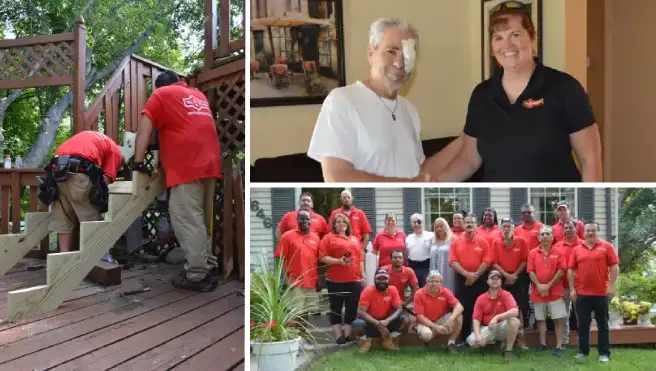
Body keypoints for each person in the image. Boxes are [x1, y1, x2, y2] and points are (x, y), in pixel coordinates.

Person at [431, 1, 602, 182]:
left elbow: (590, 160)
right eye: (498, 38)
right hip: (499, 205)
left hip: (553, 205)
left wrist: (589, 207)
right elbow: (468, 160)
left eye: (515, 34)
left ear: (532, 37)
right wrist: (434, 184)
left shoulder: (565, 88)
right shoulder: (481, 95)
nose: (507, 45)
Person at [307, 18, 433, 182]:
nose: (400, 63)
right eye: (391, 51)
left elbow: (418, 172)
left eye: (407, 55)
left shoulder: (409, 110)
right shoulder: (342, 101)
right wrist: (410, 185)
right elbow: (337, 178)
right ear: (370, 53)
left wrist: (466, 139)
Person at [135, 70, 221, 292]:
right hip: (210, 164)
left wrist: (138, 161)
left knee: (186, 220)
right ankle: (207, 266)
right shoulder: (197, 95)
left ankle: (197, 275)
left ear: (159, 87)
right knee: (199, 220)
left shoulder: (161, 95)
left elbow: (146, 126)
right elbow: (181, 130)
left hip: (187, 166)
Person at [42, 131, 123, 252]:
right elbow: (105, 181)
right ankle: (95, 259)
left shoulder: (95, 138)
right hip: (80, 173)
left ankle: (63, 258)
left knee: (64, 218)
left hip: (56, 173)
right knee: (91, 221)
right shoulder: (116, 152)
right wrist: (99, 199)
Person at [568, 221, 619, 364]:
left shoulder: (607, 247)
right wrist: (572, 289)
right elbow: (571, 270)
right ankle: (583, 351)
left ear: (598, 232)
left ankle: (604, 353)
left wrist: (611, 286)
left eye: (593, 230)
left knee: (603, 324)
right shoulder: (577, 249)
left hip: (601, 293)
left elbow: (614, 267)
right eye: (587, 231)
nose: (590, 233)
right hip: (582, 294)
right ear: (583, 233)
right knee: (583, 324)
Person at [319, 213, 365, 345]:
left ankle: (349, 335)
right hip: (335, 281)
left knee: (351, 308)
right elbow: (322, 257)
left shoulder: (354, 239)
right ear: (334, 225)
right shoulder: (328, 238)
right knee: (336, 309)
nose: (341, 224)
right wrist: (338, 261)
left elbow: (360, 259)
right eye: (338, 222)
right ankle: (339, 337)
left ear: (348, 224)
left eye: (344, 222)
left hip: (354, 280)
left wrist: (363, 275)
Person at [449, 213, 492, 339]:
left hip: (480, 279)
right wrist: (467, 274)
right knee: (463, 307)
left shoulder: (483, 242)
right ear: (463, 224)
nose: (469, 225)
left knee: (480, 307)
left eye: (472, 222)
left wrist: (475, 275)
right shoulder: (456, 242)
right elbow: (452, 261)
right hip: (462, 279)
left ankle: (481, 337)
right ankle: (466, 337)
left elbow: (487, 261)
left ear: (476, 225)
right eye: (467, 222)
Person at [527, 226, 568, 356]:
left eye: (547, 234)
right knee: (540, 320)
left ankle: (559, 345)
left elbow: (561, 271)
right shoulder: (532, 253)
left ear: (552, 236)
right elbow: (530, 271)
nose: (544, 236)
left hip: (555, 292)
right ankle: (543, 344)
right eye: (542, 234)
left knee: (558, 319)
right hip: (538, 291)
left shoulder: (559, 252)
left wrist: (548, 286)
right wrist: (539, 286)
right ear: (539, 237)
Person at [491, 217, 529, 349]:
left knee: (518, 309)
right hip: (502, 277)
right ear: (501, 229)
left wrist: (514, 275)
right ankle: (504, 338)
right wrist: (506, 275)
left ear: (514, 228)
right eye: (504, 227)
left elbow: (525, 260)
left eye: (509, 226)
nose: (506, 229)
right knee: (502, 307)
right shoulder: (496, 242)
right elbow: (494, 262)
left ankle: (521, 339)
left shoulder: (521, 241)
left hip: (518, 277)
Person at [467, 270, 522, 362]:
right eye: (492, 278)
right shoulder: (481, 298)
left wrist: (497, 317)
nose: (495, 280)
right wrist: (477, 336)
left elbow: (515, 311)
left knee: (514, 321)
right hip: (488, 327)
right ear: (488, 281)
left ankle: (508, 350)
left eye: (497, 279)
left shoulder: (506, 295)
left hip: (502, 327)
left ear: (501, 281)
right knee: (472, 341)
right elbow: (476, 319)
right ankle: (492, 345)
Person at [276, 210, 321, 317]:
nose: (304, 221)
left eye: (307, 218)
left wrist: (319, 279)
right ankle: (297, 334)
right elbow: (280, 259)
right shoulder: (287, 236)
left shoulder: (316, 238)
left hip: (311, 282)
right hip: (294, 282)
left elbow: (319, 260)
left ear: (311, 221)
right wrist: (285, 280)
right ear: (297, 220)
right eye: (302, 218)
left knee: (308, 313)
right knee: (295, 314)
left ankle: (303, 334)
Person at [354, 268, 405, 352]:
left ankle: (389, 339)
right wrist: (377, 323)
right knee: (358, 324)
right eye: (379, 279)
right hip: (371, 322)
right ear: (374, 279)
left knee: (405, 320)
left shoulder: (393, 290)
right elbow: (360, 312)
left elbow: (399, 309)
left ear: (389, 280)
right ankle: (365, 341)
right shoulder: (368, 291)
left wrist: (387, 321)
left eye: (385, 278)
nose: (382, 281)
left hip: (386, 321)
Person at [414, 270, 464, 353]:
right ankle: (426, 342)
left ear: (441, 283)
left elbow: (460, 307)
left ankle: (451, 344)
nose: (434, 284)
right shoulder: (419, 293)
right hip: (424, 323)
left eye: (437, 281)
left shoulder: (445, 291)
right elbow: (419, 317)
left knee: (459, 316)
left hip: (440, 321)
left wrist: (451, 319)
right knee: (427, 335)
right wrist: (436, 327)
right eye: (431, 281)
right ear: (427, 282)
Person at [554, 219, 584, 347]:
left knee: (581, 315)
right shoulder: (557, 246)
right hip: (563, 286)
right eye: (565, 228)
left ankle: (582, 341)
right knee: (563, 315)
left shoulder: (583, 244)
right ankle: (565, 342)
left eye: (570, 227)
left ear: (576, 229)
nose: (568, 230)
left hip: (580, 286)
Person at [405, 213, 434, 286]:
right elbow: (406, 254)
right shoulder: (408, 238)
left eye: (419, 222)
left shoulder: (431, 235)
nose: (416, 224)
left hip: (426, 267)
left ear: (423, 223)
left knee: (425, 290)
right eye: (414, 222)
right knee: (414, 290)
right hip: (412, 268)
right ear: (412, 224)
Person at [429, 217, 456, 293]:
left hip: (448, 270)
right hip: (434, 269)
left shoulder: (452, 239)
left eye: (441, 226)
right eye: (436, 227)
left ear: (446, 226)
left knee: (447, 289)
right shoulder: (433, 240)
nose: (439, 228)